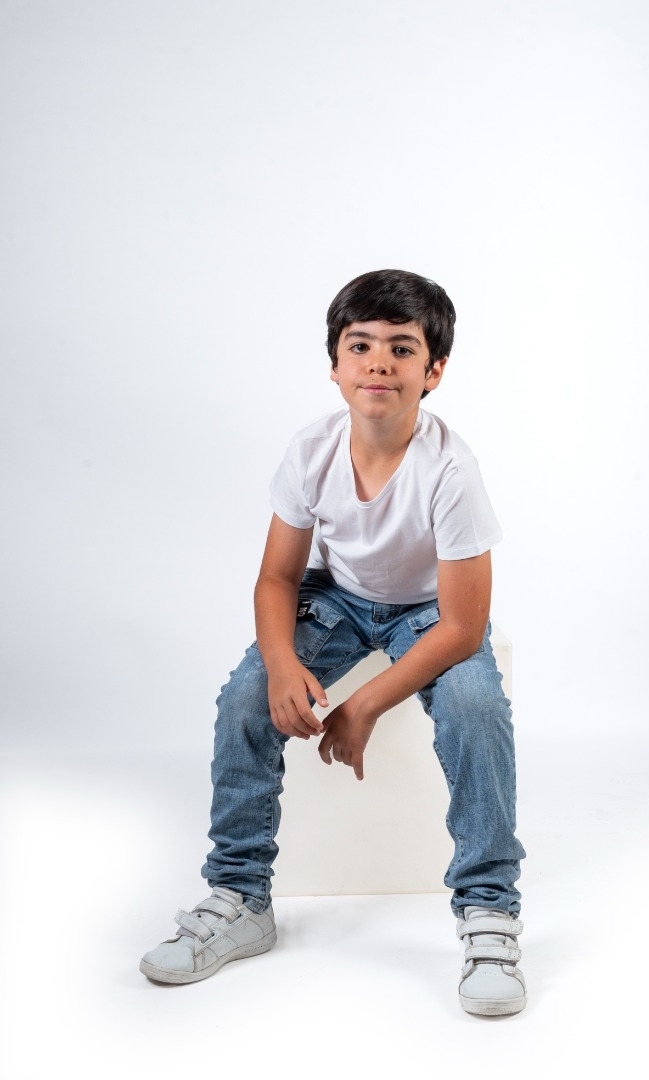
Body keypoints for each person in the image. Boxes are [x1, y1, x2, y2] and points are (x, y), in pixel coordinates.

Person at [140, 269, 527, 1016]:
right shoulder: (312, 449)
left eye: (402, 349)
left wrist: (364, 705)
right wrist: (282, 662)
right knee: (247, 698)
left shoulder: (451, 470)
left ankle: (489, 910)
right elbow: (277, 578)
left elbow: (463, 625)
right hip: (338, 602)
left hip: (430, 613)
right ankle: (240, 896)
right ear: (335, 365)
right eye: (361, 346)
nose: (379, 363)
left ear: (434, 371)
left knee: (477, 706)